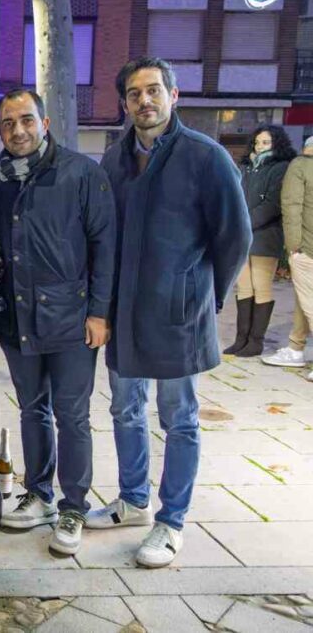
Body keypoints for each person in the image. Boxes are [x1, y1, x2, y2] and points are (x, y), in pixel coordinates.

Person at [89, 57, 251, 568]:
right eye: (134, 93)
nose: (145, 100)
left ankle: (171, 519)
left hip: (179, 313)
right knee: (123, 408)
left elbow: (235, 236)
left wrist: (207, 294)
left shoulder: (206, 157)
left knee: (179, 417)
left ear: (173, 96)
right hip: (125, 313)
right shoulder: (114, 161)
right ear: (125, 103)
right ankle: (134, 500)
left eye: (154, 90)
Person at [0, 90, 116, 556]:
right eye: (7, 124)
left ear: (44, 123)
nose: (17, 131)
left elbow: (105, 246)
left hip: (71, 320)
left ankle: (74, 506)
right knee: (31, 410)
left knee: (72, 415)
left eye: (26, 120)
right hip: (18, 318)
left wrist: (99, 313)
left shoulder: (82, 173)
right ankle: (39, 494)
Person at [224, 125, 296, 357]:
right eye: (257, 142)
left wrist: (243, 223)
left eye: (265, 142)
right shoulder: (246, 167)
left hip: (266, 235)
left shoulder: (281, 168)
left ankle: (256, 341)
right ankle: (241, 339)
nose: (260, 146)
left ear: (276, 144)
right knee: (243, 286)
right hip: (244, 236)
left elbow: (273, 204)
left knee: (261, 286)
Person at [263, 136, 313, 372]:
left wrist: (294, 246)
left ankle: (295, 349)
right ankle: (295, 348)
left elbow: (292, 205)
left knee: (309, 301)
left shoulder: (301, 165)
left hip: (307, 247)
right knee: (303, 300)